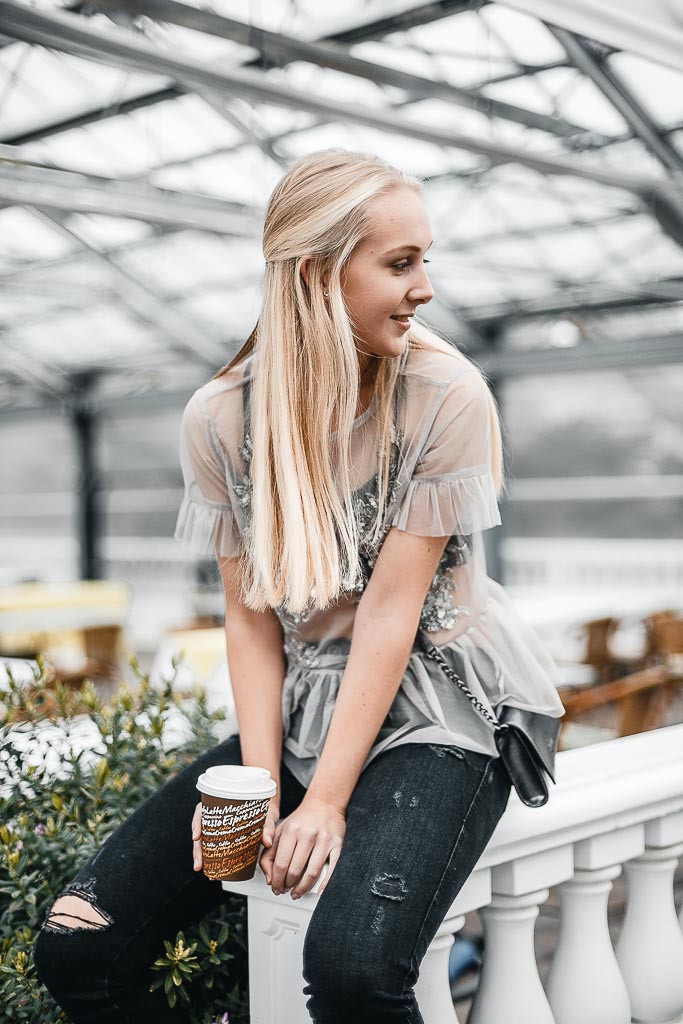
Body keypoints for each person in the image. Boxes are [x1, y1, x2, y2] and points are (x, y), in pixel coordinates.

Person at [34, 149, 564, 1023]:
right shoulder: (220, 416)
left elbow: (391, 615)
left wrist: (320, 803)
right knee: (81, 942)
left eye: (423, 258)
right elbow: (249, 621)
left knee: (355, 969)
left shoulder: (446, 393)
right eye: (401, 263)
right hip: (303, 697)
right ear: (317, 273)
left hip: (442, 706)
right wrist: (260, 782)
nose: (425, 287)